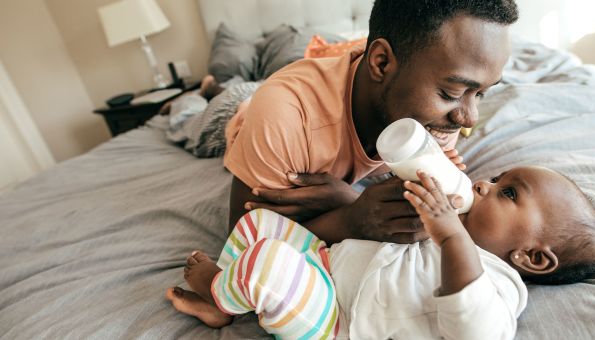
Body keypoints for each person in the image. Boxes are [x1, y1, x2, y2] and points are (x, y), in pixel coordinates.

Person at [171, 0, 521, 312]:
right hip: (241, 116)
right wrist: (350, 219)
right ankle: (207, 89)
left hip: (336, 80)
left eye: (482, 94)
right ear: (381, 62)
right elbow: (242, 242)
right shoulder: (285, 115)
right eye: (451, 92)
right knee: (207, 112)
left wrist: (349, 199)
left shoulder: (444, 115)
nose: (469, 119)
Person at [166, 166, 595, 339]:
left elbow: (476, 331)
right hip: (326, 264)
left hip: (338, 324)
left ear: (532, 258)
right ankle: (233, 294)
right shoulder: (444, 226)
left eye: (507, 193)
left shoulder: (498, 287)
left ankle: (219, 293)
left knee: (268, 264)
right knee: (258, 225)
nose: (482, 185)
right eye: (493, 178)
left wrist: (451, 236)